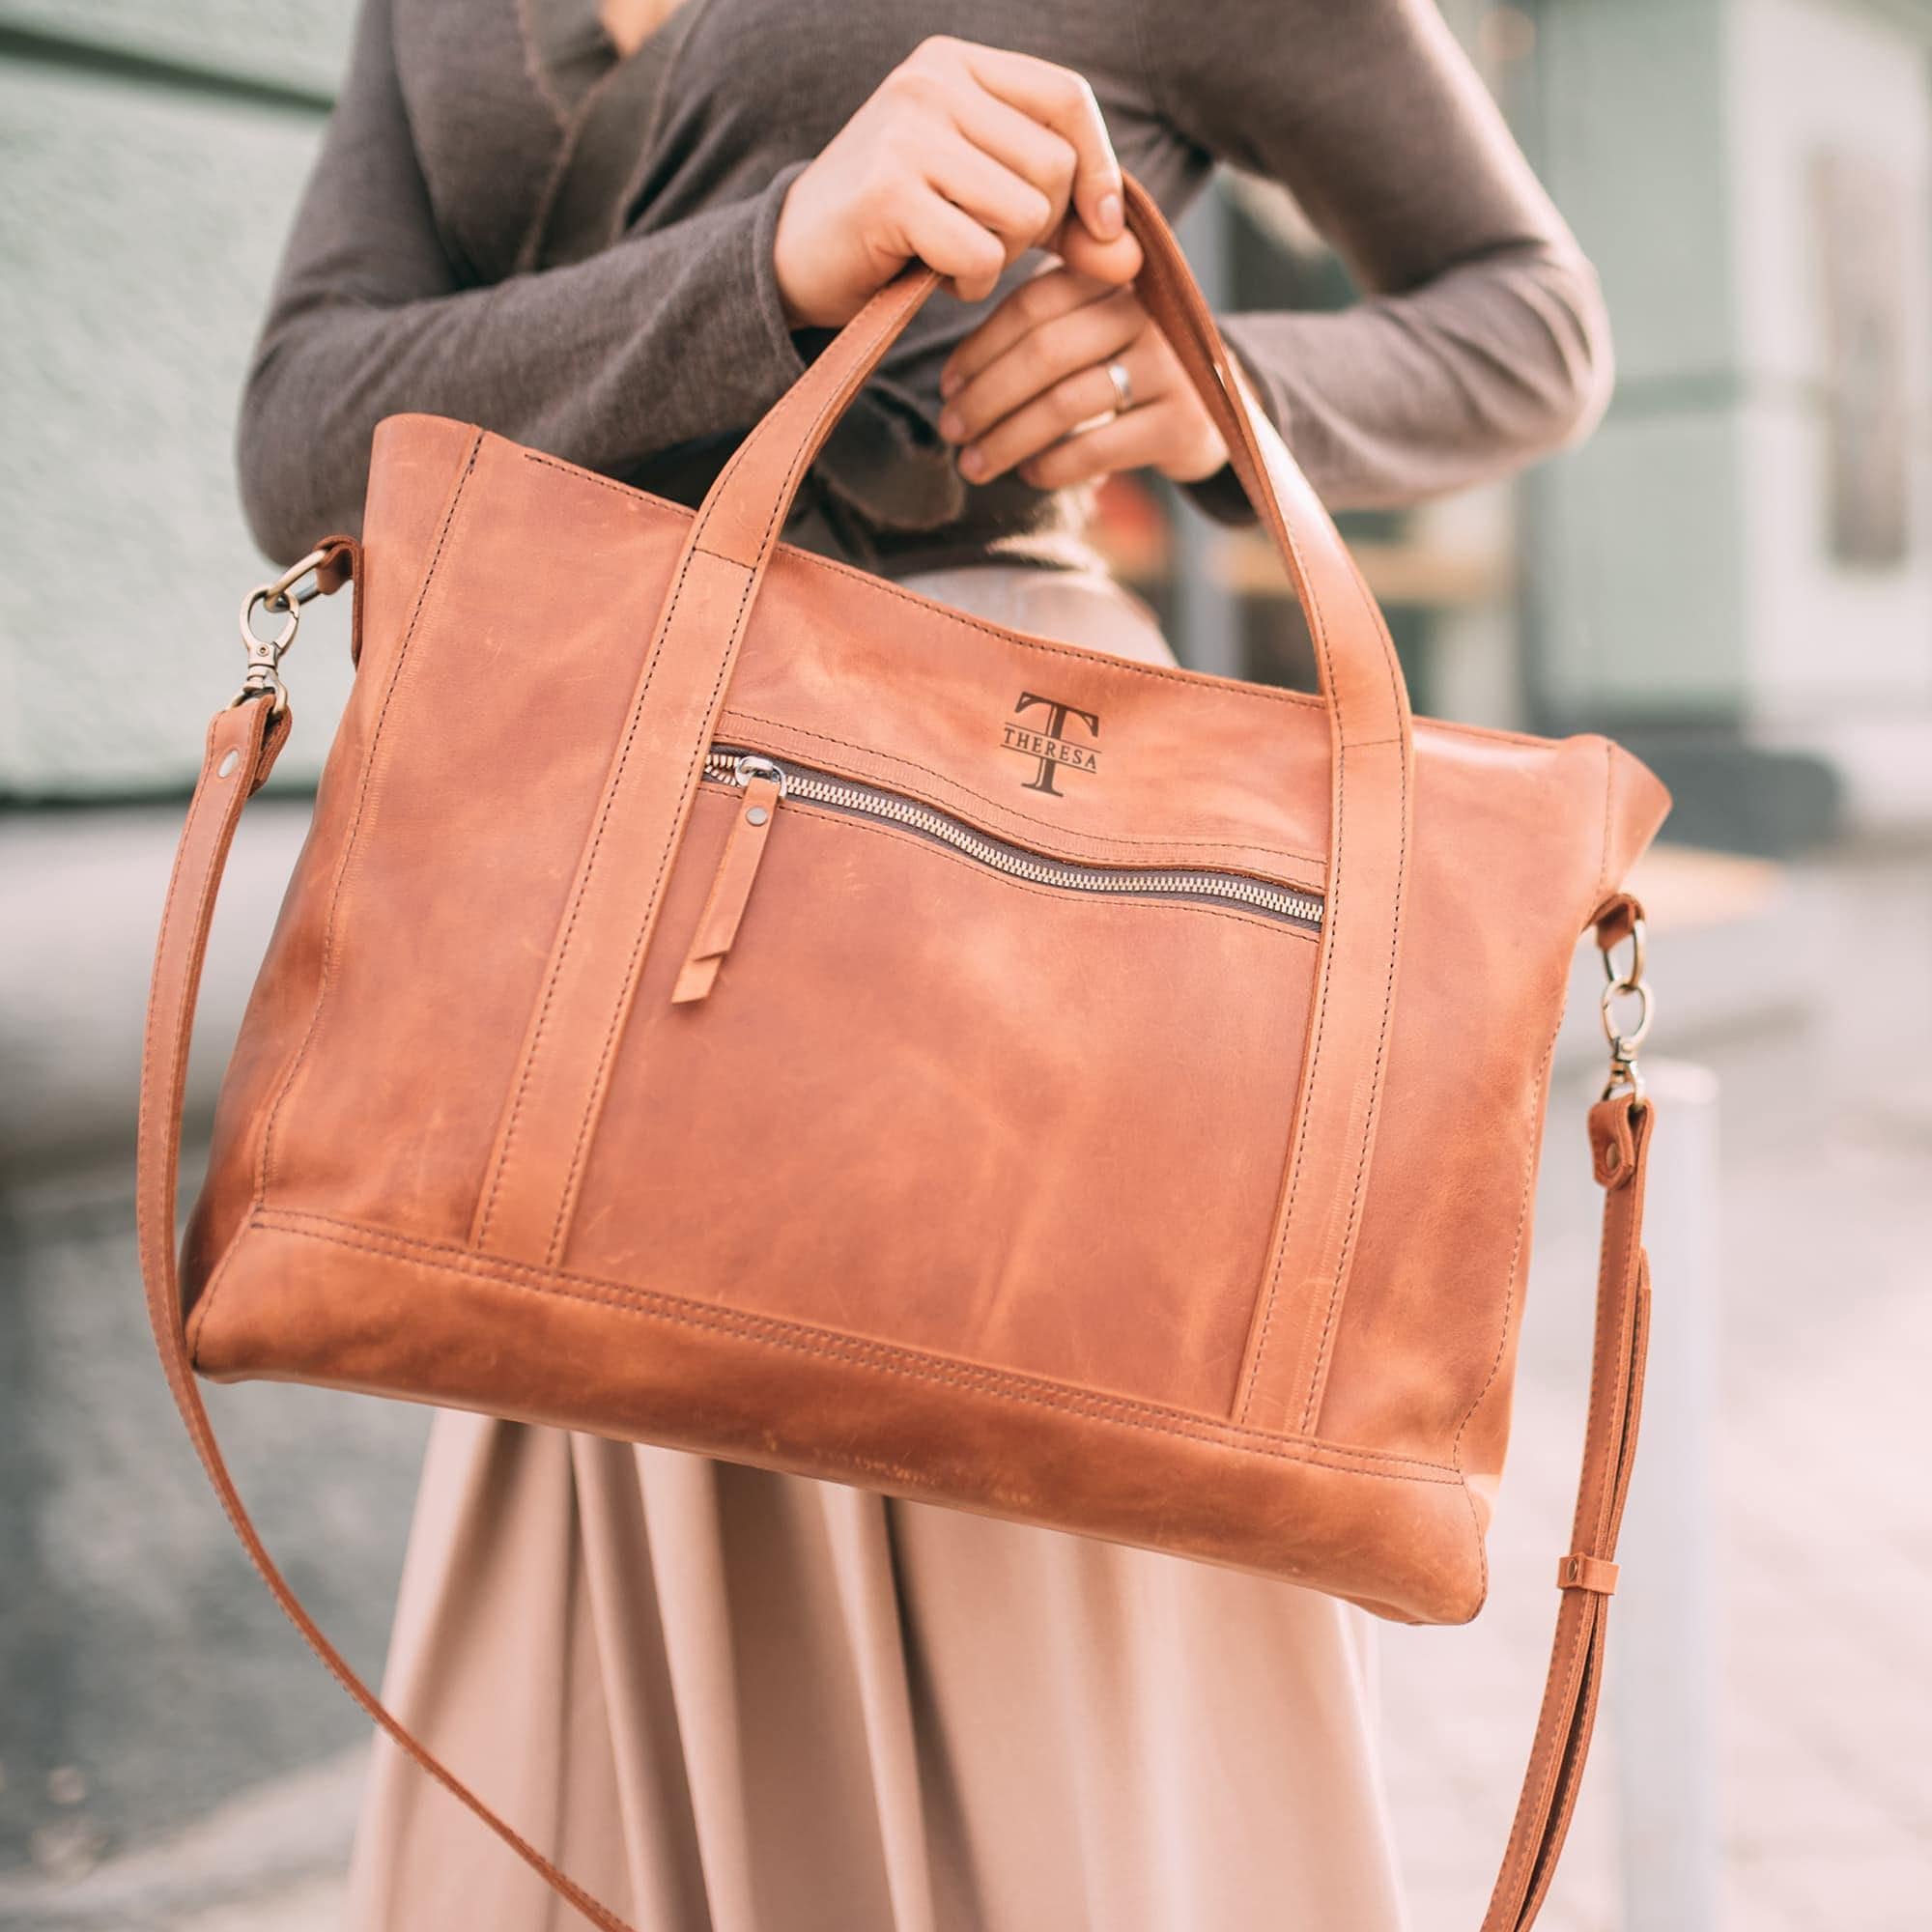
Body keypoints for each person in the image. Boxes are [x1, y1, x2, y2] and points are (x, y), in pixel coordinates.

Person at [238, 3, 1610, 1925]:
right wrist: (773, 262)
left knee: (1063, 1783)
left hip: (1010, 906)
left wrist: (1218, 396)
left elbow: (1531, 317)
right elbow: (307, 438)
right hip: (605, 874)